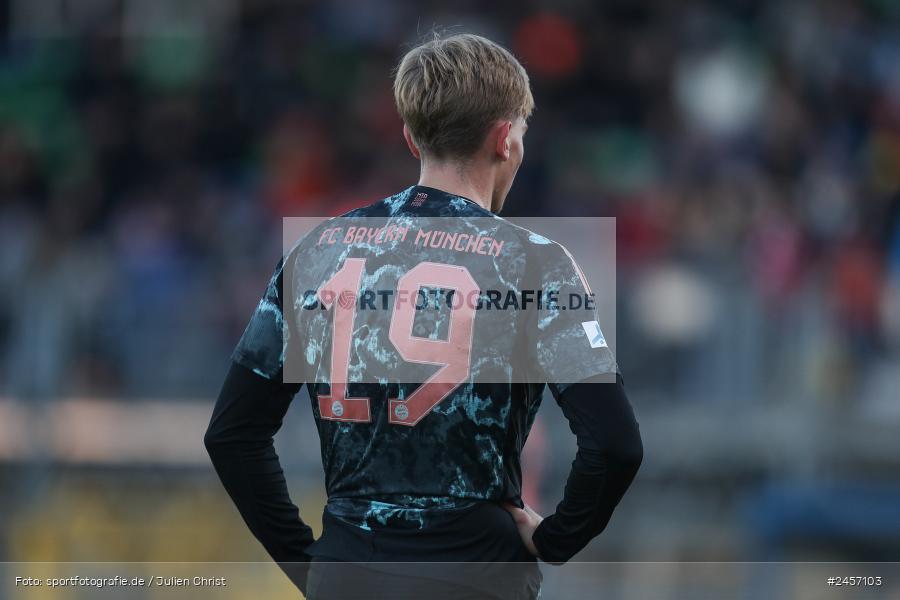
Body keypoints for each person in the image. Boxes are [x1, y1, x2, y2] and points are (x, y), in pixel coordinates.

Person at [205, 33, 643, 600]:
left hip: (347, 571)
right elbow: (615, 443)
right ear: (505, 138)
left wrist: (309, 565)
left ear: (412, 137)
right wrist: (557, 539)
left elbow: (231, 434)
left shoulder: (317, 251)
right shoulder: (535, 262)